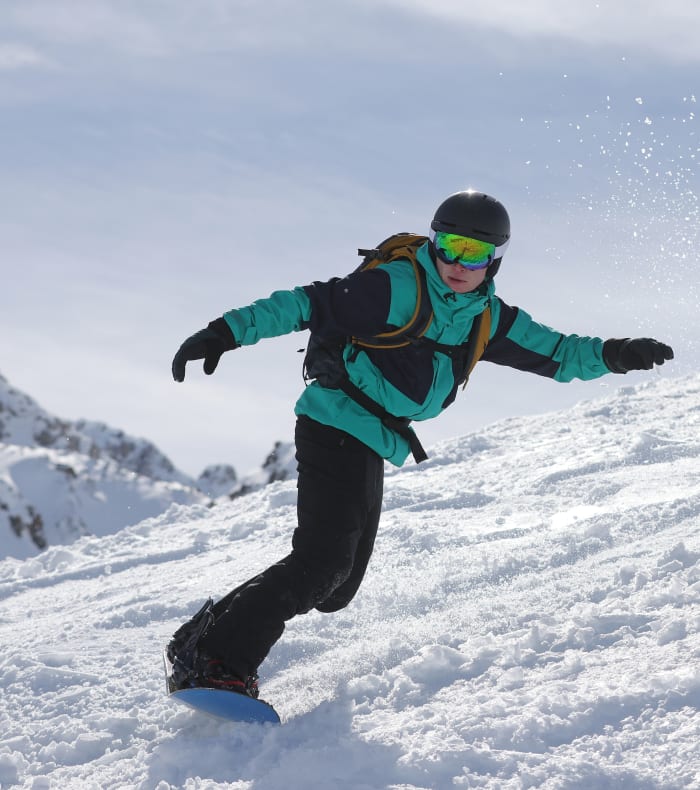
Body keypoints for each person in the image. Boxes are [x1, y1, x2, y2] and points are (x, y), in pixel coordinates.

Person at [166, 190, 674, 699]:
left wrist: (617, 354)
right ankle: (218, 662)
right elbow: (306, 304)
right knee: (322, 562)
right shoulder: (396, 287)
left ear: (494, 260)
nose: (456, 261)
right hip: (335, 421)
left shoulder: (487, 318)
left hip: (373, 439)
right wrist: (223, 333)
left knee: (336, 586)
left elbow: (561, 354)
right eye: (448, 244)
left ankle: (199, 641)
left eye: (472, 253)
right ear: (433, 240)